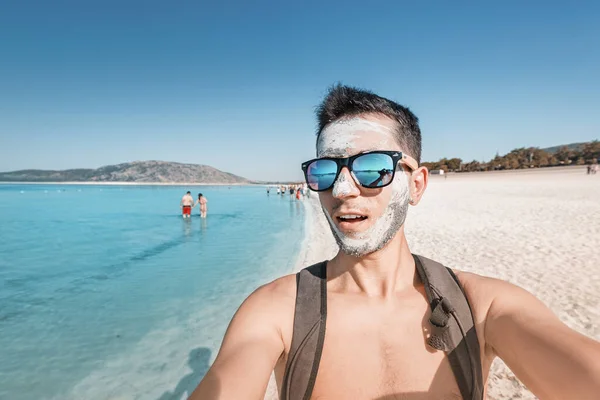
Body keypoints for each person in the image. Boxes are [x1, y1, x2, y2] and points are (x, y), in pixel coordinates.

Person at [191, 85, 600, 400]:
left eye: (371, 167)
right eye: (325, 170)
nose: (344, 189)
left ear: (416, 184)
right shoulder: (275, 313)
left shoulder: (483, 308)